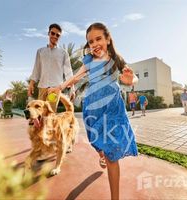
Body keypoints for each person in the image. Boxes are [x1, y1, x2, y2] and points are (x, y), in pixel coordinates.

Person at [49, 22, 138, 200]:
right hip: (92, 108)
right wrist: (60, 86)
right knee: (95, 141)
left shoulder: (115, 58)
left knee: (113, 154)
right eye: (91, 41)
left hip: (113, 107)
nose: (95, 43)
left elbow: (131, 76)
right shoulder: (89, 60)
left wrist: (131, 79)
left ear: (107, 39)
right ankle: (101, 153)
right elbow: (76, 76)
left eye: (98, 39)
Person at [27, 23, 75, 112]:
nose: (55, 36)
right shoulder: (40, 51)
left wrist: (72, 88)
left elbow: (68, 72)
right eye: (53, 33)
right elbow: (36, 69)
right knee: (39, 114)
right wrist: (31, 84)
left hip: (55, 89)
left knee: (50, 114)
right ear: (48, 33)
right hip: (42, 87)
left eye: (58, 35)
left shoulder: (63, 53)